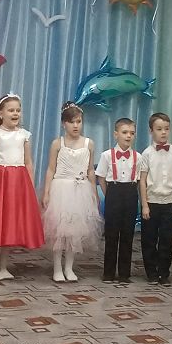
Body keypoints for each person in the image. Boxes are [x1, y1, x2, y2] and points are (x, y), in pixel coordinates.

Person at [0, 94, 44, 280]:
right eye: (11, 110)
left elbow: (28, 162)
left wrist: (30, 187)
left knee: (11, 224)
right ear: (0, 114)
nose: (15, 113)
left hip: (18, 184)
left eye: (18, 110)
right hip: (0, 182)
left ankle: (4, 266)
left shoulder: (24, 135)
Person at [42, 102, 102, 282]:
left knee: (74, 231)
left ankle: (69, 267)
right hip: (61, 189)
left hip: (81, 190)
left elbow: (90, 170)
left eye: (78, 121)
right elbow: (51, 169)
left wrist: (94, 192)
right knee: (59, 231)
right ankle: (57, 268)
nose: (75, 125)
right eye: (71, 122)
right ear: (64, 124)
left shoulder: (89, 143)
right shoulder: (57, 143)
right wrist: (46, 192)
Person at [138, 112, 172, 285]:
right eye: (159, 129)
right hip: (151, 202)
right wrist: (144, 205)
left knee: (167, 240)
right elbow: (142, 181)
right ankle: (151, 272)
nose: (163, 132)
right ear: (151, 131)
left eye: (166, 129)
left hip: (170, 202)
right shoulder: (147, 153)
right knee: (149, 239)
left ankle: (164, 272)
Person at [96, 117, 142, 283]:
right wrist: (109, 194)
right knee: (111, 234)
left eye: (132, 133)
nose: (128, 136)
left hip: (130, 193)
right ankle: (108, 273)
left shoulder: (138, 157)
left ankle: (124, 273)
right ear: (116, 134)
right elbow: (101, 178)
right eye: (124, 132)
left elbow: (139, 180)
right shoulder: (107, 155)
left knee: (127, 235)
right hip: (113, 192)